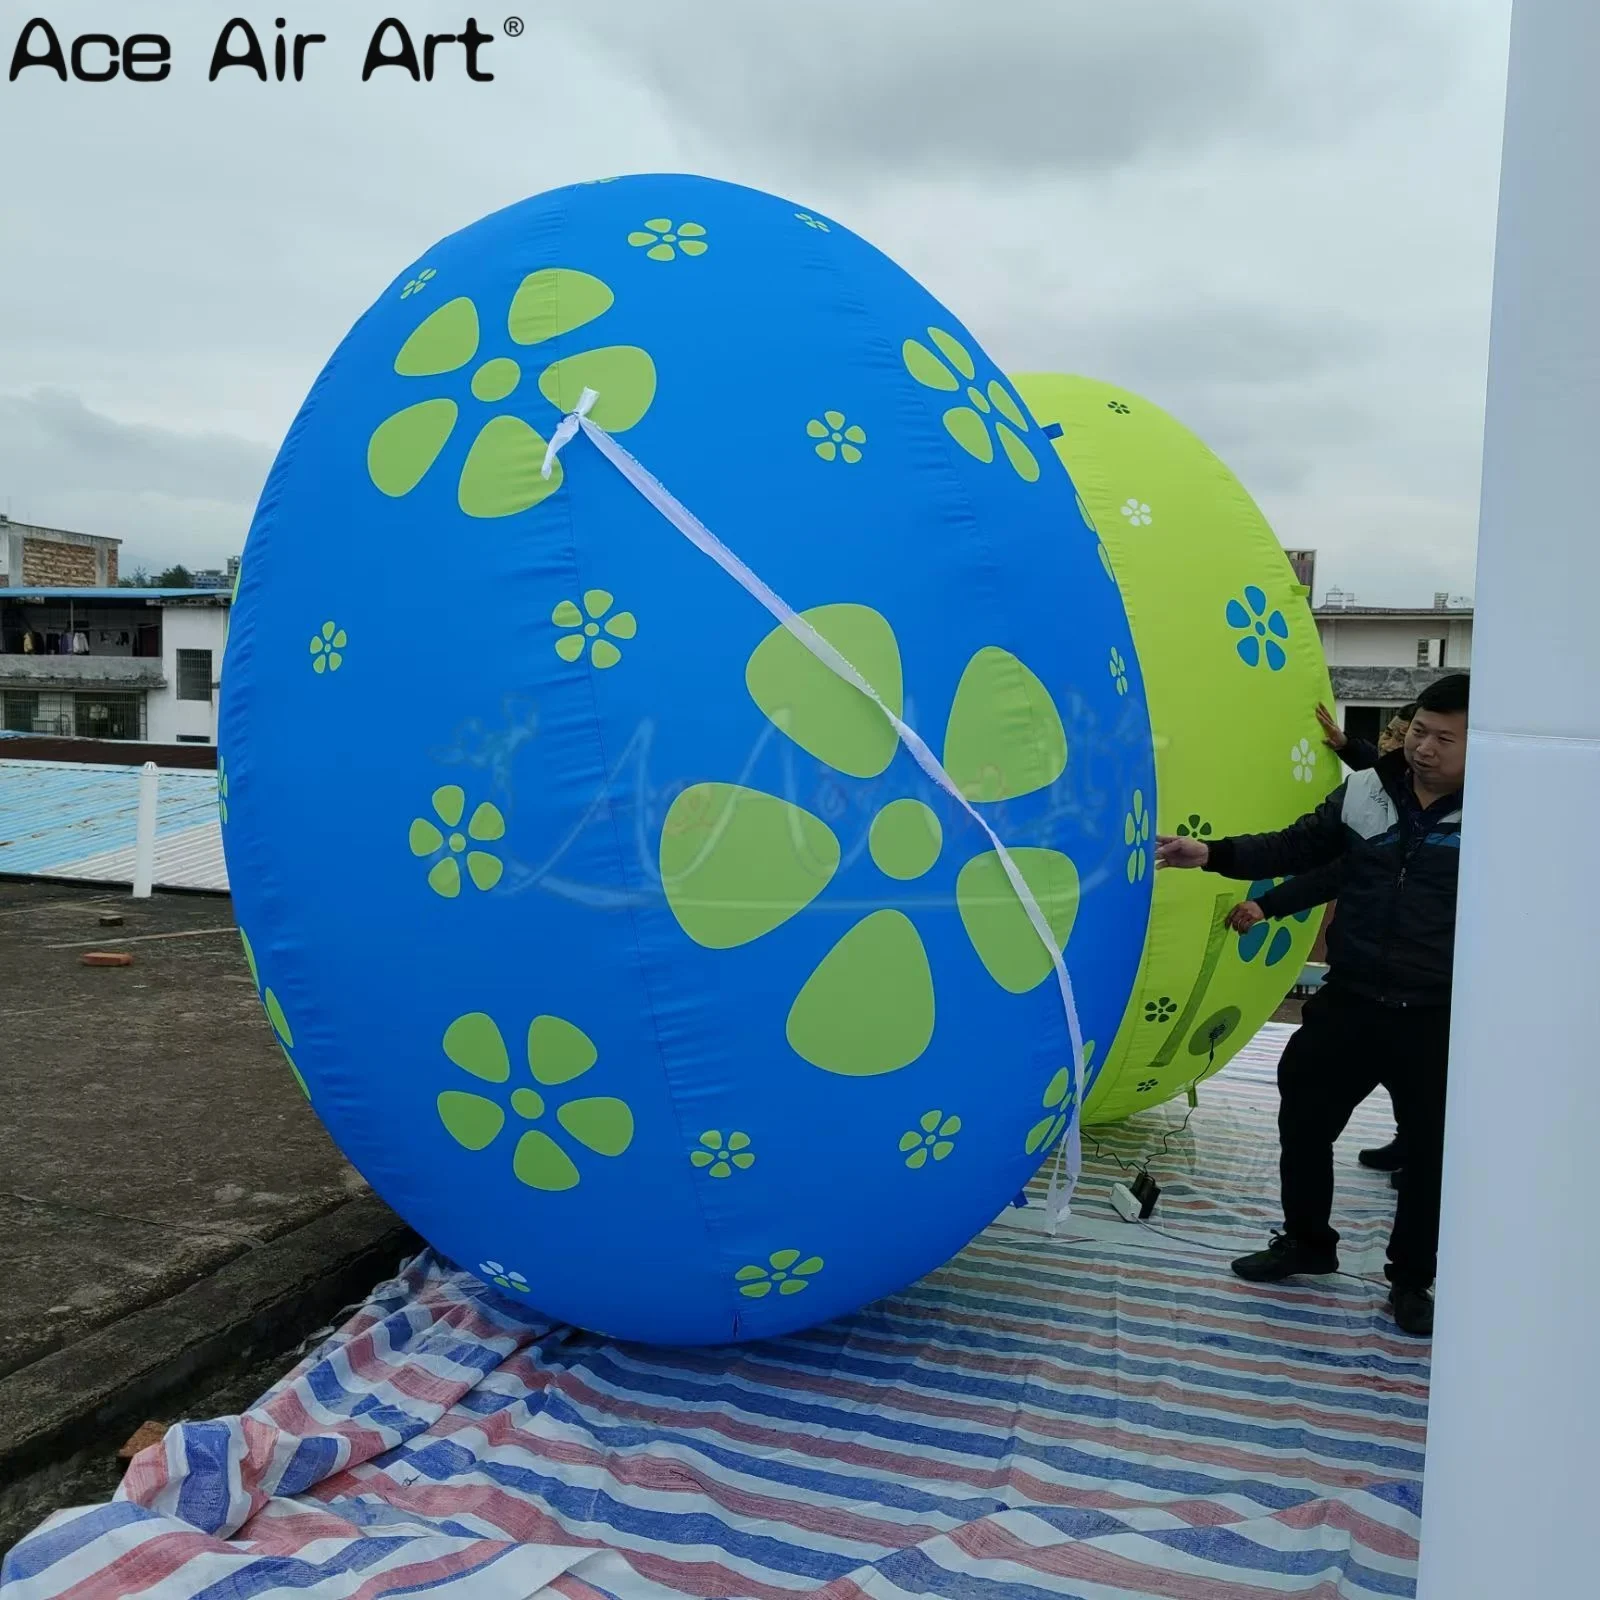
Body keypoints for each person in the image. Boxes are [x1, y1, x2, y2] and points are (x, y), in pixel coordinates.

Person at [1156, 673, 1469, 1337]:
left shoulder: (1502, 817)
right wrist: (1209, 854)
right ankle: (1307, 1242)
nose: (1424, 748)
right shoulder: (1364, 790)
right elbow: (1298, 846)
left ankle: (1412, 1278)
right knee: (1302, 1114)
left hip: (1438, 1012)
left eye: (1445, 738)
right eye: (1418, 731)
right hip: (1351, 995)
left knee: (1433, 1154)